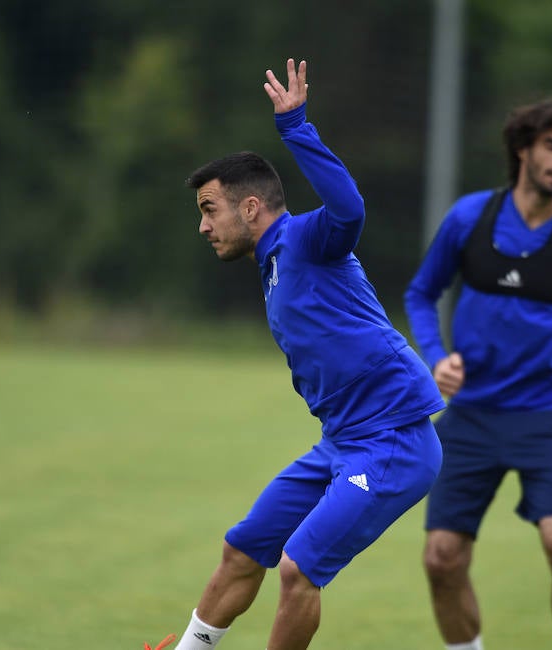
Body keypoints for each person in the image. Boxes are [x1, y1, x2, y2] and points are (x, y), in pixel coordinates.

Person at [145, 58, 445, 650]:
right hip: (342, 441)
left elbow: (351, 211)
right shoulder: (274, 264)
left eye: (210, 209)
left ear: (251, 208)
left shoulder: (306, 240)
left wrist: (296, 127)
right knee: (243, 548)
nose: (203, 226)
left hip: (394, 440)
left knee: (298, 570)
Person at [403, 99, 552, 650]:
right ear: (522, 149)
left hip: (545, 418)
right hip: (470, 415)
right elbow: (421, 294)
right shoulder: (470, 218)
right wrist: (436, 356)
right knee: (441, 559)